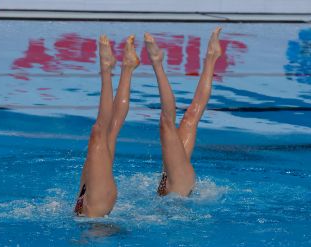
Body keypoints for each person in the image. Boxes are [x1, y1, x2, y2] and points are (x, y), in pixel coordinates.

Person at [144, 27, 222, 196]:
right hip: (178, 184)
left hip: (175, 182)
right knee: (171, 123)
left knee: (188, 118)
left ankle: (211, 56)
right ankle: (158, 63)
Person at [74, 34, 140, 217]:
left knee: (110, 131)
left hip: (86, 200)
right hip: (96, 206)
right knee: (98, 133)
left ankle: (127, 68)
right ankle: (106, 69)